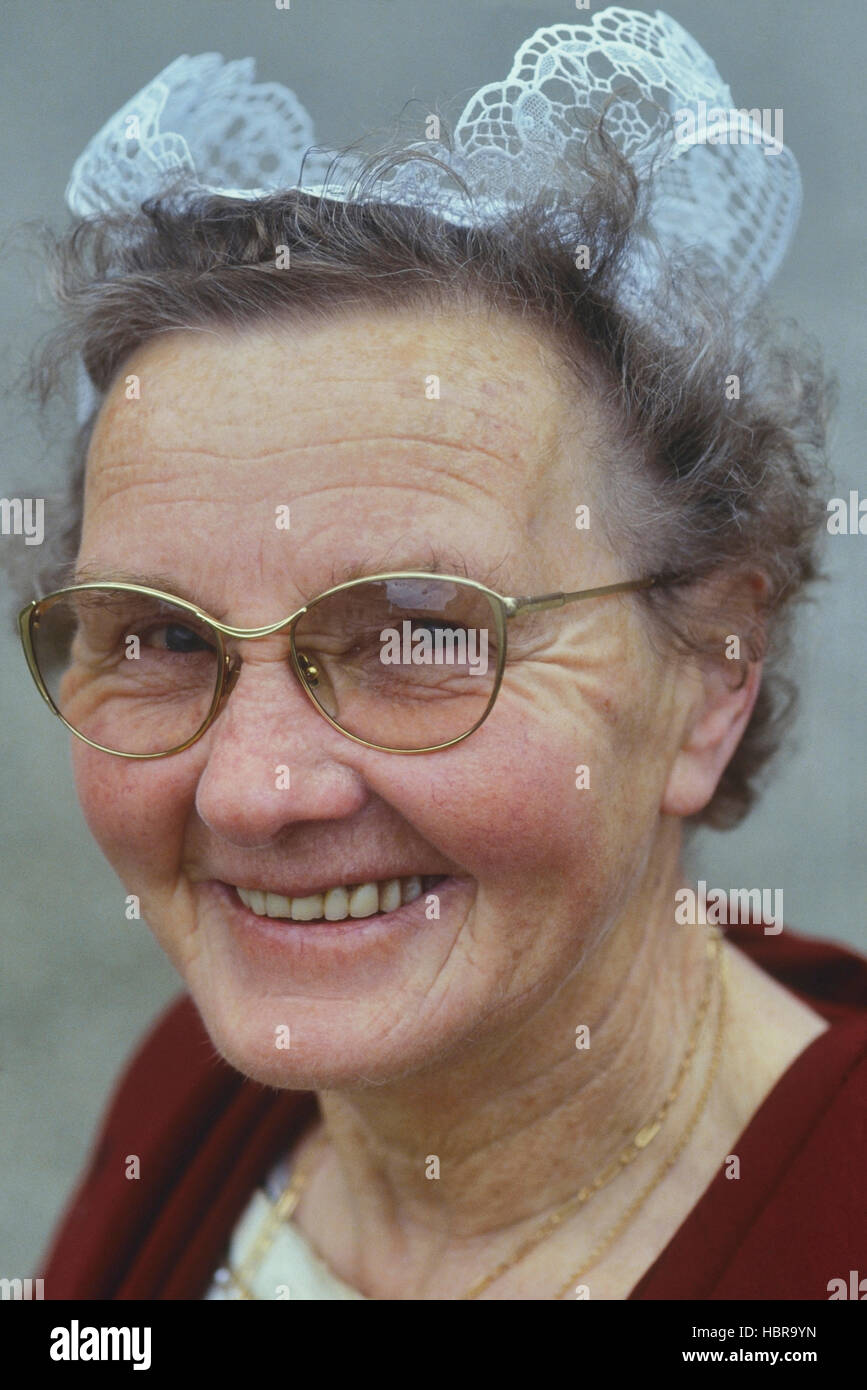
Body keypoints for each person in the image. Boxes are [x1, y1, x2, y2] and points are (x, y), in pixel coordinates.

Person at [12, 10, 865, 1300]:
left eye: (417, 638)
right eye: (165, 638)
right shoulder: (193, 1088)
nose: (250, 791)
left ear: (710, 676)